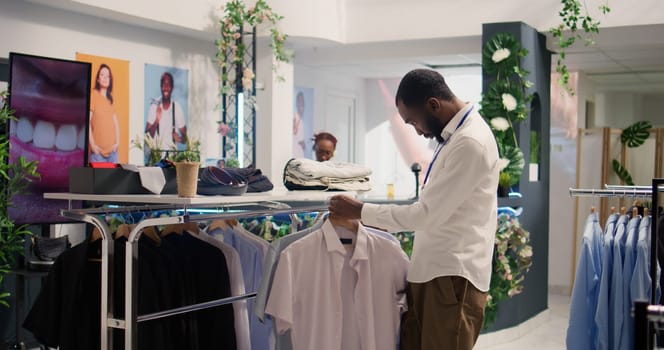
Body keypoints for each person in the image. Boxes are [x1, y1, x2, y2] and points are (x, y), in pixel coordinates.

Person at [328, 69, 499, 350]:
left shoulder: (470, 142)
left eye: (413, 121)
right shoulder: (456, 138)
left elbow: (425, 215)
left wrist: (362, 211)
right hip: (432, 273)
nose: (417, 130)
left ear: (433, 104)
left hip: (452, 277)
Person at [146, 72, 187, 149]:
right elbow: (147, 136)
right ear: (160, 86)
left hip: (171, 157)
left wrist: (181, 139)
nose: (166, 87)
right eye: (163, 84)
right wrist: (156, 120)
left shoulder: (177, 108)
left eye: (168, 85)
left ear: (172, 87)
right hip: (156, 156)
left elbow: (185, 138)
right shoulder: (154, 106)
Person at [89, 63, 120, 163]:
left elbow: (116, 125)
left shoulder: (110, 100)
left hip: (112, 154)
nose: (105, 78)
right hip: (98, 154)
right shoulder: (93, 95)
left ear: (110, 80)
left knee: (114, 179)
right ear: (98, 79)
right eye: (102, 75)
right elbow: (87, 123)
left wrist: (117, 143)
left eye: (108, 76)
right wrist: (93, 146)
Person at [293, 91, 306, 157]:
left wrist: (303, 143)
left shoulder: (301, 119)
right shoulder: (294, 117)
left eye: (302, 102)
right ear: (296, 103)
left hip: (300, 151)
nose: (301, 104)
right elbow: (294, 132)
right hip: (295, 150)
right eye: (299, 101)